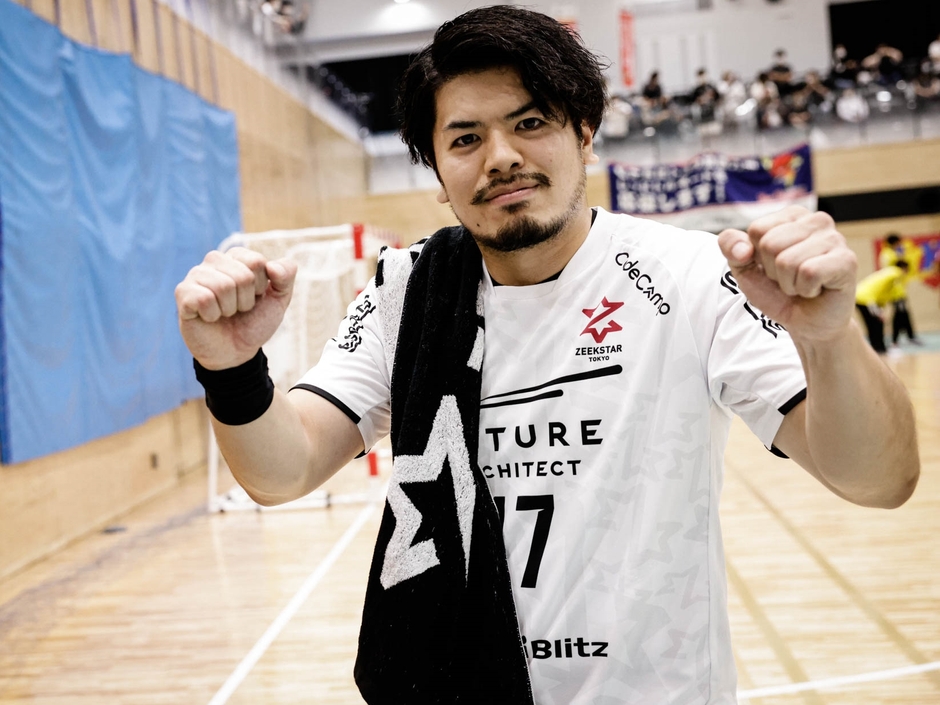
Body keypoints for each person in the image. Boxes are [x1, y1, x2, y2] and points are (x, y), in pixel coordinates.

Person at [175, 7, 919, 704]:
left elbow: (879, 479)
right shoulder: (408, 291)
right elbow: (284, 470)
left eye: (530, 123)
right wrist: (232, 368)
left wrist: (830, 339)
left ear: (584, 134)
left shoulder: (688, 275)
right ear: (438, 174)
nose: (501, 158)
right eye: (465, 139)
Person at [855, 261, 911, 353]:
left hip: (861, 297)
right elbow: (896, 290)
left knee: (873, 324)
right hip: (867, 299)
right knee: (876, 323)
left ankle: (877, 348)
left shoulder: (888, 274)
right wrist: (878, 311)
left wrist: (880, 310)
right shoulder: (896, 273)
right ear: (904, 268)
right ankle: (879, 348)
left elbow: (883, 293)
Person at [879, 234, 924, 346]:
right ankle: (895, 340)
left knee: (904, 313)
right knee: (899, 314)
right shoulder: (888, 255)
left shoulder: (892, 253)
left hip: (899, 290)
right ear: (894, 242)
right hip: (894, 291)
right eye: (898, 243)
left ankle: (910, 336)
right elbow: (894, 269)